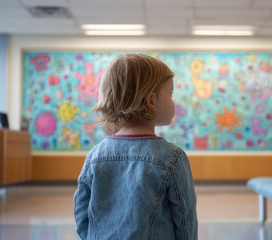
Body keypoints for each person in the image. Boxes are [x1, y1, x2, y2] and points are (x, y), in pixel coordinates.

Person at [74, 54, 198, 240]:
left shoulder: (95, 155)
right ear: (151, 100)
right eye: (170, 94)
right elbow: (184, 220)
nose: (174, 101)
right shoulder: (172, 157)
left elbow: (82, 216)